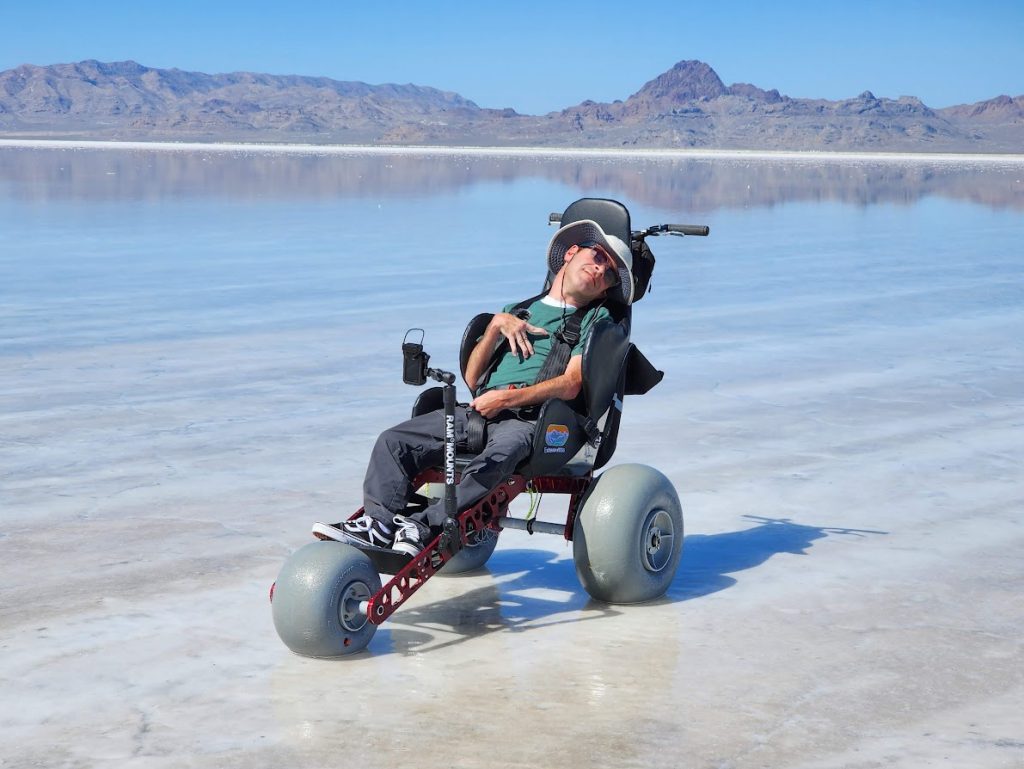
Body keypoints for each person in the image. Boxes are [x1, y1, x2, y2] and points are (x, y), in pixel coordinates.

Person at [313, 218, 634, 556]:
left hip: (533, 422)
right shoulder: (517, 310)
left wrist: (507, 398)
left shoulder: (597, 322)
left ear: (604, 290)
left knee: (495, 460)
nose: (600, 270)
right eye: (597, 257)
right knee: (393, 442)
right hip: (480, 411)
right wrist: (496, 326)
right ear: (571, 252)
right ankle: (378, 524)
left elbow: (571, 384)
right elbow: (472, 377)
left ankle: (423, 527)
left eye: (610, 274)